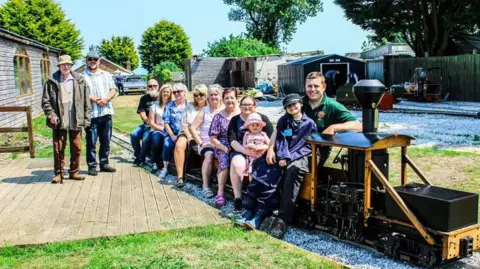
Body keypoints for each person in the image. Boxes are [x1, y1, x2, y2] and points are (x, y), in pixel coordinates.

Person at [267, 71, 362, 239]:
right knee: (267, 162)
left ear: (324, 86)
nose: (312, 89)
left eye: (316, 86)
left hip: (315, 151)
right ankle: (263, 206)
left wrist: (334, 127)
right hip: (291, 148)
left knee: (294, 168)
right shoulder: (298, 102)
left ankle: (283, 218)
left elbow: (358, 125)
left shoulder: (332, 106)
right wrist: (270, 148)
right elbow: (280, 128)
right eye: (309, 86)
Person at [236, 94, 316, 229]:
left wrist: (288, 158)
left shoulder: (310, 124)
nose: (292, 108)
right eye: (288, 106)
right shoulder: (284, 120)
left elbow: (307, 146)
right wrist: (275, 152)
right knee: (259, 170)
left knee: (271, 180)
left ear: (301, 104)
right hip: (279, 154)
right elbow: (280, 138)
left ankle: (260, 214)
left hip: (292, 157)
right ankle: (249, 210)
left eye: (294, 104)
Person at [41, 54, 91, 183]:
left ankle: (74, 172)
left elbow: (86, 101)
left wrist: (86, 118)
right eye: (63, 64)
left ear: (71, 66)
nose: (66, 66)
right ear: (59, 66)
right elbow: (45, 102)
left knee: (77, 147)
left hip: (75, 118)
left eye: (68, 64)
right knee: (58, 148)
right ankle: (58, 173)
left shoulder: (80, 80)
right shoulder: (51, 81)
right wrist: (51, 115)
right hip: (59, 119)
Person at [228, 96, 274, 213]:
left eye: (250, 105)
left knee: (260, 167)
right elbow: (232, 140)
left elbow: (272, 139)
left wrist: (264, 149)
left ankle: (257, 200)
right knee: (237, 164)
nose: (247, 107)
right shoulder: (235, 120)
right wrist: (245, 151)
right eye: (244, 105)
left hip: (261, 152)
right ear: (240, 106)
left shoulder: (263, 119)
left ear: (255, 106)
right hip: (241, 150)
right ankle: (238, 198)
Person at [83, 51, 118, 176]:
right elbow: (82, 93)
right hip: (92, 114)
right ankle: (92, 165)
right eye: (90, 59)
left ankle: (104, 164)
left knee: (106, 140)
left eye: (95, 59)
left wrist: (106, 99)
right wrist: (95, 100)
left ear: (99, 61)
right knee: (91, 142)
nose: (93, 61)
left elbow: (113, 89)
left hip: (106, 112)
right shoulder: (82, 77)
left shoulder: (107, 75)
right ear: (86, 61)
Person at [190, 84, 224, 198]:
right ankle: (205, 186)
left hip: (222, 143)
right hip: (207, 143)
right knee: (209, 155)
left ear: (220, 96)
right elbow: (193, 128)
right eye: (211, 94)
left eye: (216, 94)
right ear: (208, 97)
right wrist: (200, 142)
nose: (213, 97)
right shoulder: (204, 111)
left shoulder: (225, 109)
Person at [208, 88, 240, 206]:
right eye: (227, 98)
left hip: (239, 144)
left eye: (232, 97)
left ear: (237, 99)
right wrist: (224, 148)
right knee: (225, 161)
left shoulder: (241, 114)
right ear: (223, 99)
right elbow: (213, 138)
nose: (229, 100)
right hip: (223, 145)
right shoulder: (219, 116)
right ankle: (220, 191)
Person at [173, 84, 208, 187]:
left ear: (206, 95)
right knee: (180, 145)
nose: (198, 97)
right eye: (196, 94)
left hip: (202, 134)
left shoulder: (208, 108)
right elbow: (183, 124)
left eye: (201, 94)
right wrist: (189, 136)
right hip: (187, 132)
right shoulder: (189, 106)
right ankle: (180, 177)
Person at [158, 83, 187, 184]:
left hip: (185, 133)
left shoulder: (189, 105)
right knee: (167, 144)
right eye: (175, 92)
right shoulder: (169, 106)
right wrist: (172, 135)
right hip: (172, 132)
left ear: (185, 92)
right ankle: (165, 167)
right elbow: (166, 122)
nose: (177, 94)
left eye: (179, 91)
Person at [130, 79, 160, 166]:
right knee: (133, 134)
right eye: (150, 86)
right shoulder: (144, 98)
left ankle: (141, 159)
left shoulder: (162, 97)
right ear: (147, 87)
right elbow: (142, 112)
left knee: (145, 137)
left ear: (158, 86)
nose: (152, 87)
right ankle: (138, 156)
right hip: (147, 124)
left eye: (155, 85)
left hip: (159, 125)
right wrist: (148, 122)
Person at [149, 83, 173, 172]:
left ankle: (166, 163)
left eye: (168, 92)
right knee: (156, 139)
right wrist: (162, 129)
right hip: (158, 128)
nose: (166, 93)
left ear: (170, 94)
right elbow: (151, 122)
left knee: (167, 142)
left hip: (170, 130)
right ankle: (154, 162)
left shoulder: (172, 105)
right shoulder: (154, 106)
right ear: (160, 93)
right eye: (164, 91)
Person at [241, 113, 269, 178]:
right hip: (251, 156)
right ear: (248, 126)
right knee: (251, 170)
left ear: (260, 126)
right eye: (252, 125)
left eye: (257, 125)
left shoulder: (263, 134)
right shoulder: (247, 134)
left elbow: (269, 144)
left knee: (262, 170)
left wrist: (260, 147)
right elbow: (244, 145)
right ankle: (251, 186)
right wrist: (250, 145)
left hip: (262, 155)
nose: (255, 127)